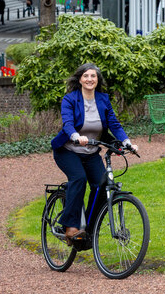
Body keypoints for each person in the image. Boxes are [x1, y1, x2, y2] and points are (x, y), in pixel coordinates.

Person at [51, 63, 138, 244]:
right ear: (80, 79)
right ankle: (69, 225)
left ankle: (88, 230)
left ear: (97, 80)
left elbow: (114, 124)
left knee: (101, 185)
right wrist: (75, 136)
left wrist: (127, 142)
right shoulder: (70, 99)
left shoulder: (103, 99)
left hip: (91, 152)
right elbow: (67, 123)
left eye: (93, 76)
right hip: (68, 150)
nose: (90, 79)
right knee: (79, 178)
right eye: (86, 76)